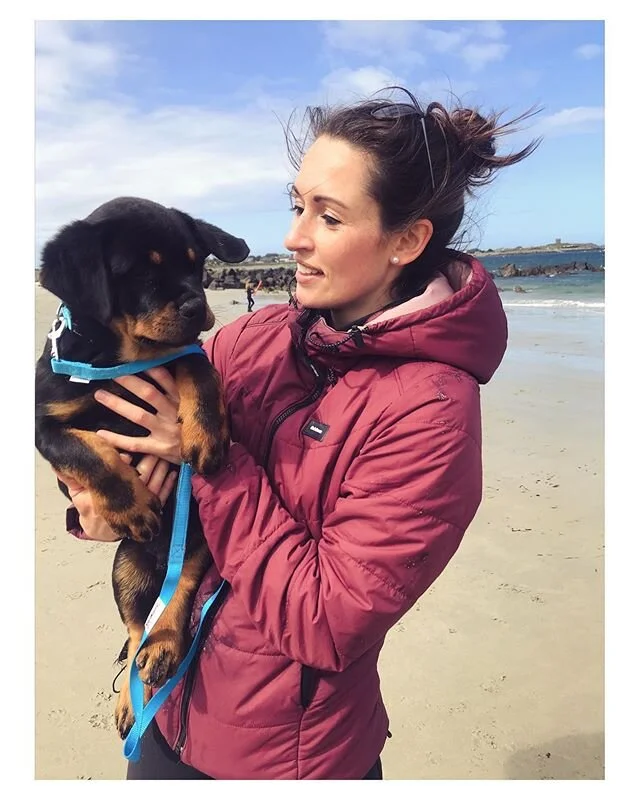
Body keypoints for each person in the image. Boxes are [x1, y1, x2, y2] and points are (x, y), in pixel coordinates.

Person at [56, 85, 539, 779]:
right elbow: (120, 428)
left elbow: (325, 621)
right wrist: (94, 500)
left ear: (407, 240)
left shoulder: (431, 414)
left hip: (291, 761)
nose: (294, 237)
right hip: (165, 710)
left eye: (329, 216)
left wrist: (213, 463)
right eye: (297, 204)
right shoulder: (253, 339)